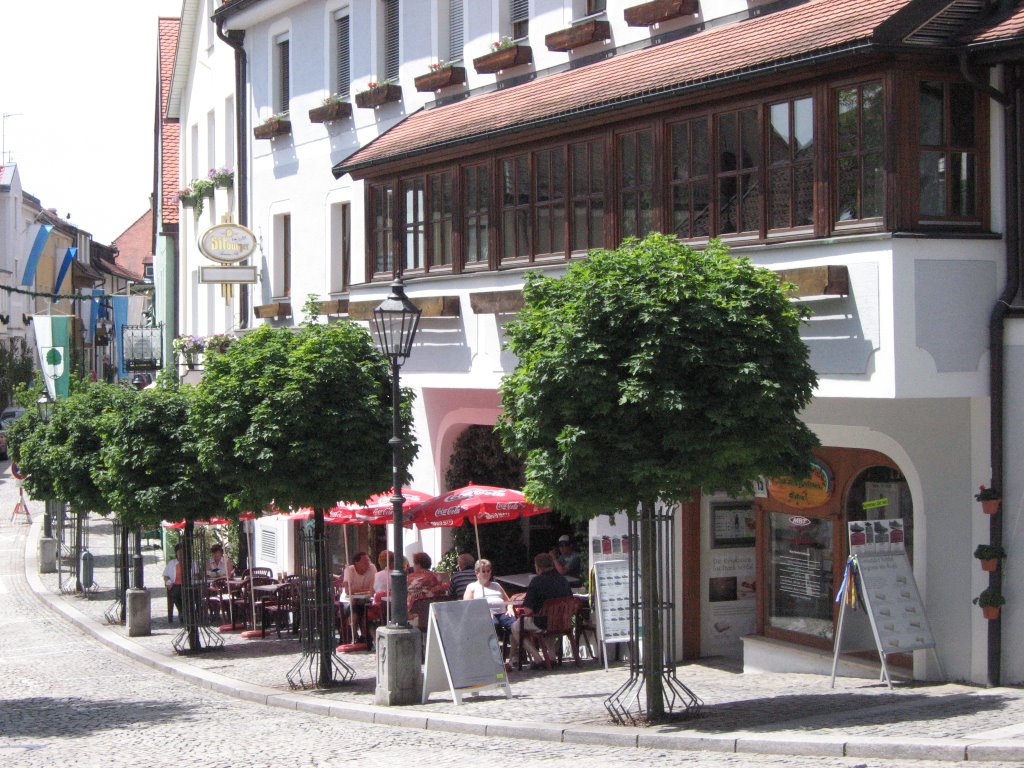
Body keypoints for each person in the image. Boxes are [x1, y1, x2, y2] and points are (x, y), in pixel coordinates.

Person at [510, 552, 571, 667]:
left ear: (538, 567)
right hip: (563, 622)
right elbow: (571, 599)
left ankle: (537, 658)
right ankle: (551, 657)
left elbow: (527, 610)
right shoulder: (563, 580)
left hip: (543, 623)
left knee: (515, 627)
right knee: (549, 623)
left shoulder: (536, 582)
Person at [463, 558, 515, 633]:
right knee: (493, 625)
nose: (486, 573)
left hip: (502, 613)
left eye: (488, 571)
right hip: (483, 615)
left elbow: (509, 601)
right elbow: (467, 606)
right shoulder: (471, 587)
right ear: (477, 573)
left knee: (515, 626)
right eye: (483, 571)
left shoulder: (496, 585)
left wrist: (510, 609)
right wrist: (484, 612)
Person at [341, 552, 376, 645]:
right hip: (348, 601)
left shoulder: (372, 568)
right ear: (357, 563)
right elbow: (348, 590)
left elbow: (374, 588)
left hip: (366, 600)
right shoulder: (349, 570)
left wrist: (357, 591)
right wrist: (365, 590)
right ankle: (354, 636)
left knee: (367, 611)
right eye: (365, 561)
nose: (368, 563)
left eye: (368, 560)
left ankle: (365, 637)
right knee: (354, 611)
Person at [406, 551, 442, 617]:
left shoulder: (410, 578)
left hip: (414, 611)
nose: (413, 566)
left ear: (418, 565)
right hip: (433, 611)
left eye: (414, 564)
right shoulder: (437, 576)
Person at [162, 544, 183, 623]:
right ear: (176, 553)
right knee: (176, 594)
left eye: (183, 552)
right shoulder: (172, 563)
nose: (181, 554)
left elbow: (197, 575)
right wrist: (168, 582)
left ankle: (183, 612)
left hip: (188, 586)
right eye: (179, 552)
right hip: (175, 586)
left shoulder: (192, 563)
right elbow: (165, 575)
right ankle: (182, 612)